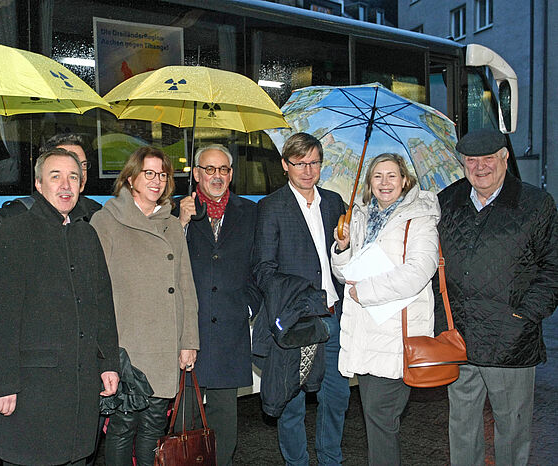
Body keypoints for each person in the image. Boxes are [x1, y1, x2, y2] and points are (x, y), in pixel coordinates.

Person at [0, 147, 120, 465]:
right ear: (39, 185)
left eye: (73, 177)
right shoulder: (13, 235)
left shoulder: (87, 235)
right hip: (30, 395)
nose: (66, 185)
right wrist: (2, 385)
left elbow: (102, 305)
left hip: (80, 394)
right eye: (55, 177)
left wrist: (108, 362)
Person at [436, 129, 558, 466]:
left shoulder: (536, 204)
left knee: (512, 430)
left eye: (488, 158)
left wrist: (524, 317)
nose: (480, 167)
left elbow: (553, 268)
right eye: (471, 161)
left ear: (504, 158)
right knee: (461, 427)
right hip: (459, 338)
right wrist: (440, 321)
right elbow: (432, 266)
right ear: (462, 164)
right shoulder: (447, 201)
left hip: (511, 341)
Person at [91, 146, 199, 466]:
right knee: (123, 428)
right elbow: (96, 290)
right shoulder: (106, 221)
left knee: (155, 426)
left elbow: (185, 286)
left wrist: (189, 342)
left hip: (165, 345)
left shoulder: (171, 225)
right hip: (127, 348)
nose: (157, 181)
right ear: (130, 179)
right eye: (148, 173)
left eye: (162, 175)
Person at [331, 153, 439, 465]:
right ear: (369, 183)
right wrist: (343, 246)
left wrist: (364, 292)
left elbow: (419, 272)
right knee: (377, 421)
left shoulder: (419, 219)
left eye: (392, 175)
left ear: (405, 180)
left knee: (380, 419)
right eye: (377, 176)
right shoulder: (361, 215)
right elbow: (346, 274)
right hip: (365, 337)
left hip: (395, 337)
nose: (384, 183)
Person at [252, 132, 349, 465]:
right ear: (285, 165)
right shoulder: (271, 207)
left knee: (335, 399)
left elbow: (343, 261)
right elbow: (263, 269)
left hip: (335, 318)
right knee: (290, 403)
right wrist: (303, 298)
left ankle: (330, 459)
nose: (308, 170)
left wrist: (345, 248)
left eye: (314, 162)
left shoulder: (336, 203)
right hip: (298, 321)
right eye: (299, 163)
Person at [175, 144, 262, 466]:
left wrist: (248, 307)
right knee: (185, 419)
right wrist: (181, 224)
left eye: (223, 169)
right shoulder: (176, 211)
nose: (217, 176)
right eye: (209, 169)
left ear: (231, 175)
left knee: (225, 420)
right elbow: (164, 264)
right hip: (187, 331)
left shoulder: (251, 212)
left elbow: (261, 266)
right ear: (196, 173)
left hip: (230, 328)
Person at [0, 133, 102, 219]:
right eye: (57, 175)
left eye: (83, 165)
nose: (80, 172)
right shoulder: (14, 215)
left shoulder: (96, 213)